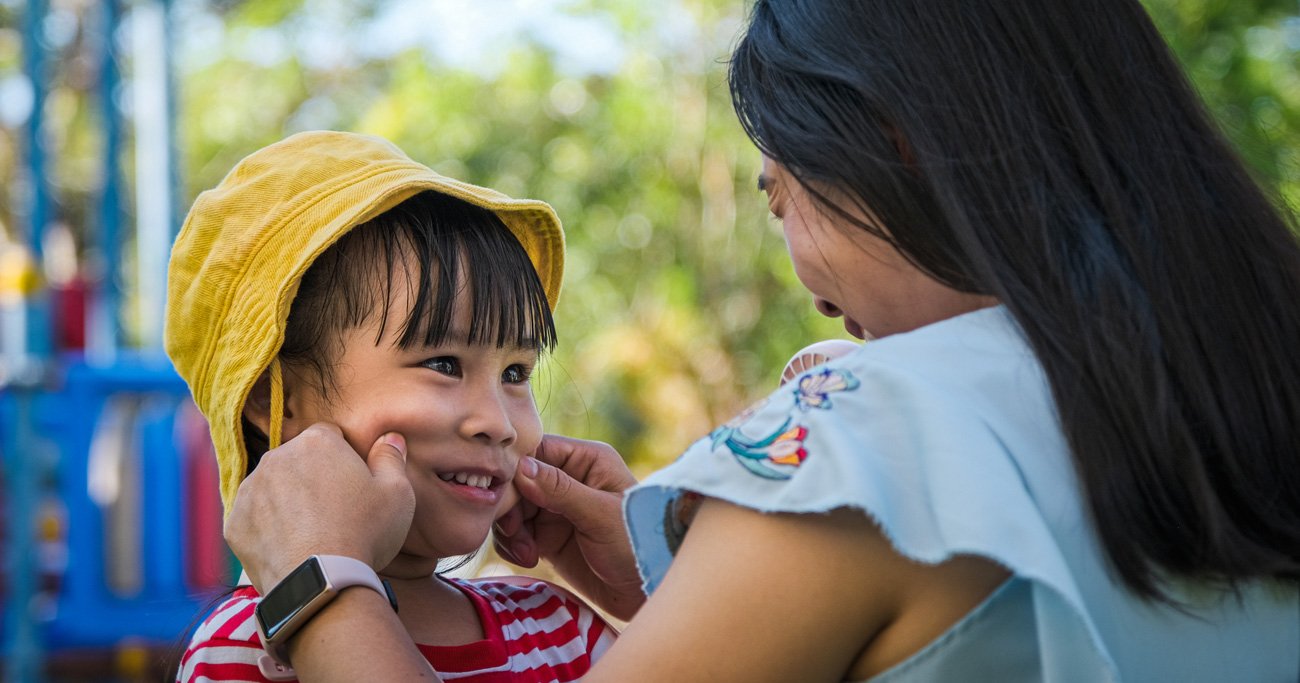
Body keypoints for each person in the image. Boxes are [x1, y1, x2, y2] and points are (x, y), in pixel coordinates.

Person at [222, 1, 1300, 681]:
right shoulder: (1248, 385)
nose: (808, 286)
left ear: (891, 146)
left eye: (779, 194)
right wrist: (689, 586)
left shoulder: (873, 438)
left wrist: (320, 588)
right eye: (440, 360)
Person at [167, 131, 616, 682]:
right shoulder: (246, 652)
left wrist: (655, 567)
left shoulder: (561, 629)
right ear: (273, 400)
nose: (498, 424)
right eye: (444, 364)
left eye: (515, 373)